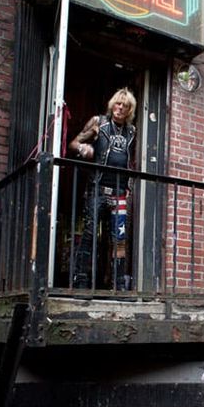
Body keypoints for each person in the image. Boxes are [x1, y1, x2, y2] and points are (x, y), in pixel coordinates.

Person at [69, 88, 136, 289]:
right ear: (112, 104)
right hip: (97, 189)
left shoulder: (131, 131)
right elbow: (73, 143)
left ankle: (118, 284)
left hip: (119, 192)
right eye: (118, 103)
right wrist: (83, 148)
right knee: (89, 235)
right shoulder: (99, 122)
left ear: (129, 110)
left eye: (125, 105)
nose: (120, 108)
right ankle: (81, 280)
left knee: (119, 239)